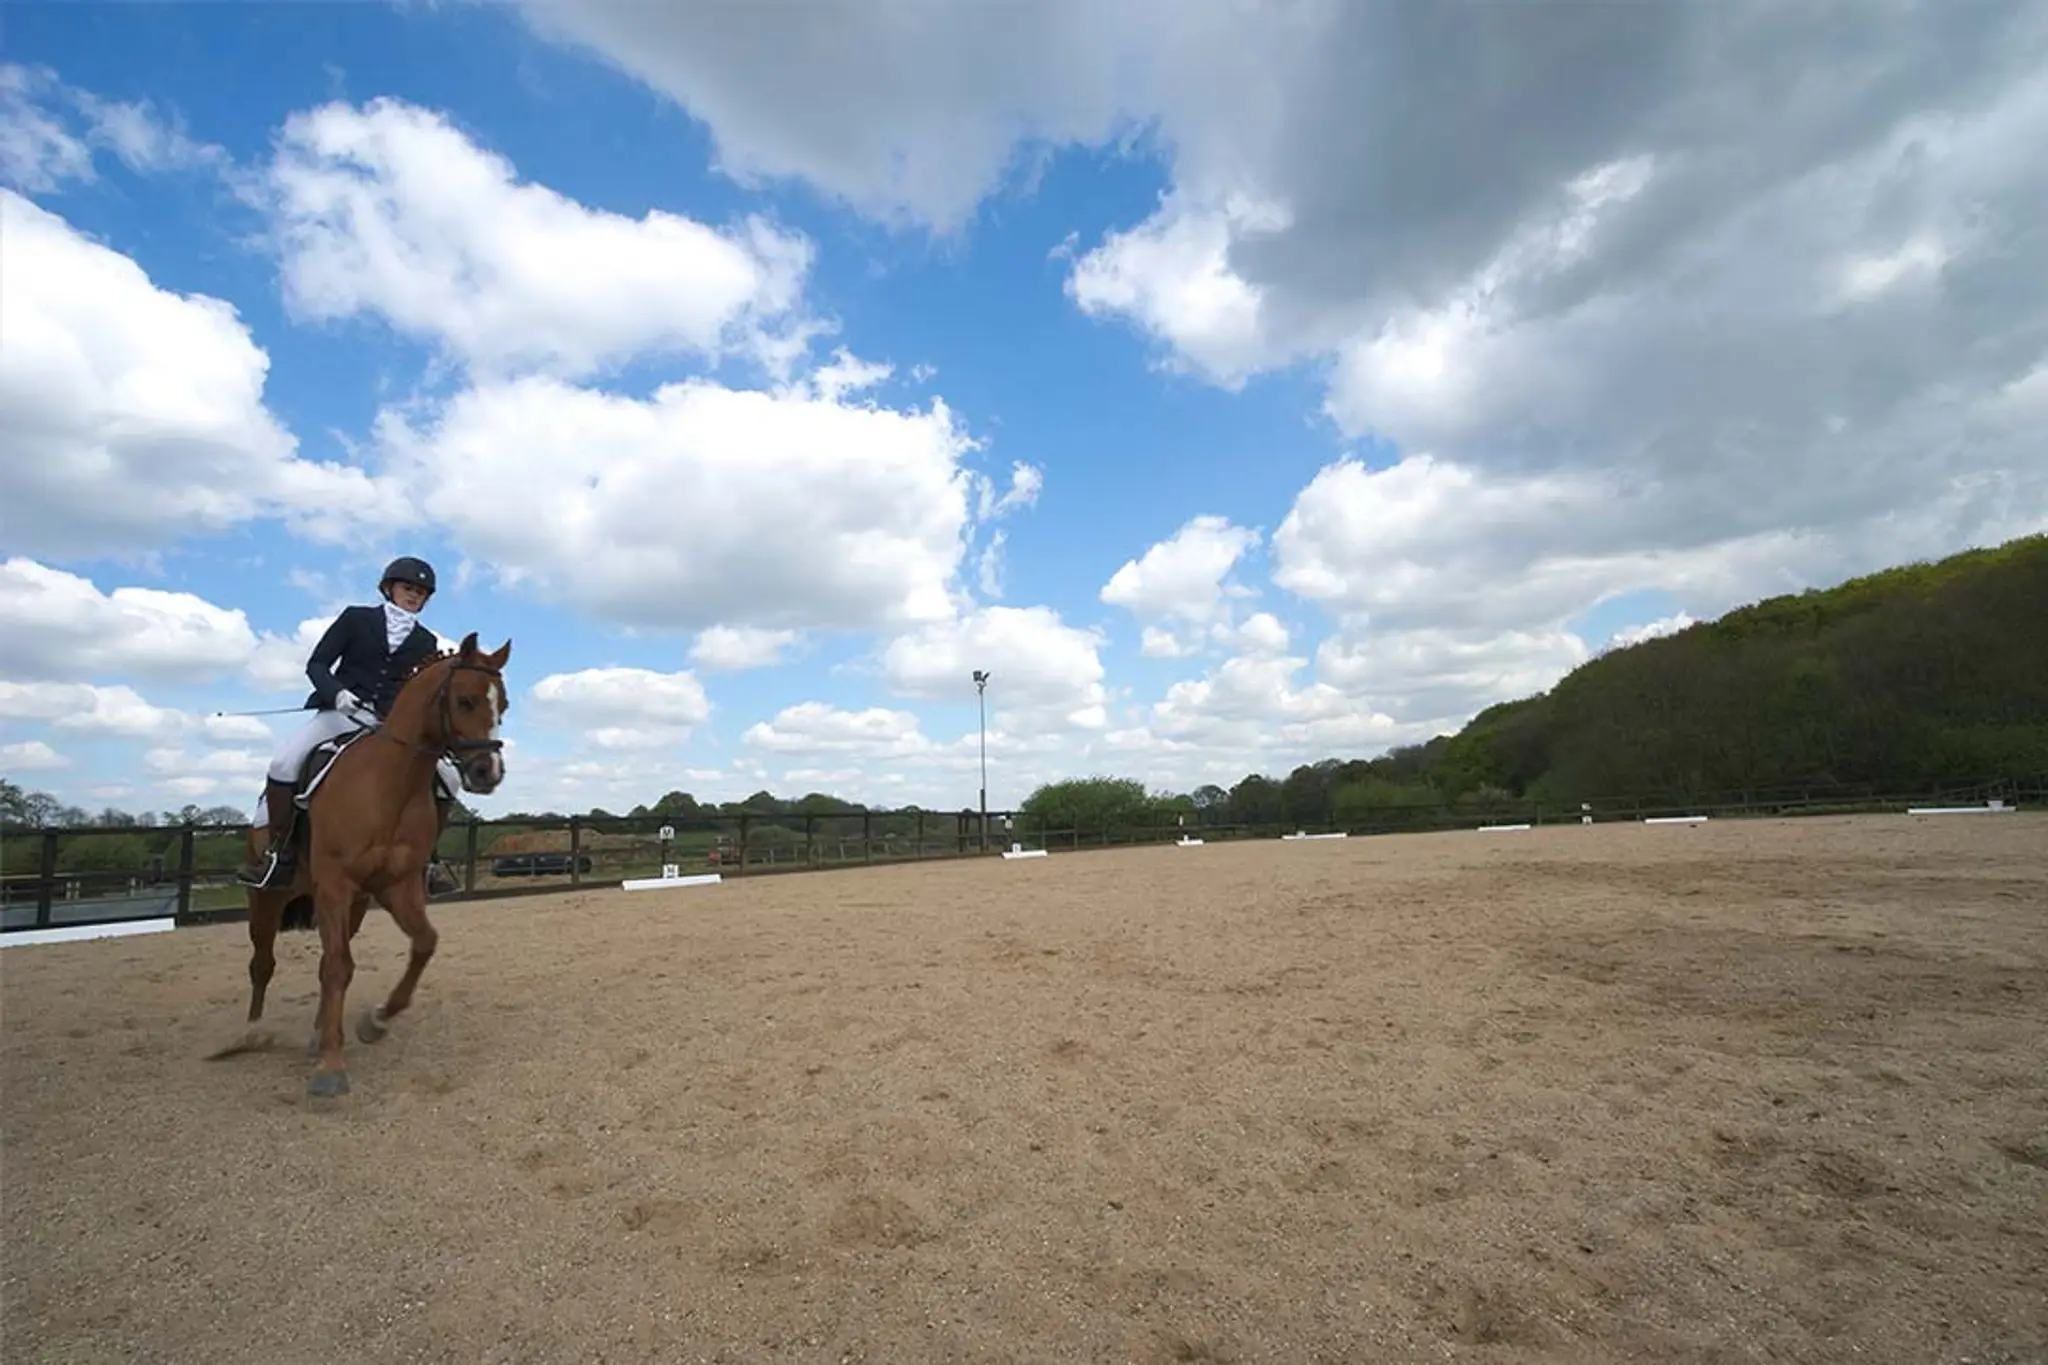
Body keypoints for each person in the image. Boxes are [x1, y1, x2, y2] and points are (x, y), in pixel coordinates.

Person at [237, 556, 464, 895]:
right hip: (339, 714)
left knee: (450, 778)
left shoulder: (425, 641)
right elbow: (317, 663)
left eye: (421, 592)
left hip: (387, 724)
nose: (414, 596)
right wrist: (338, 693)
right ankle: (278, 855)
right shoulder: (356, 619)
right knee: (283, 763)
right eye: (408, 588)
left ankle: (427, 860)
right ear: (389, 588)